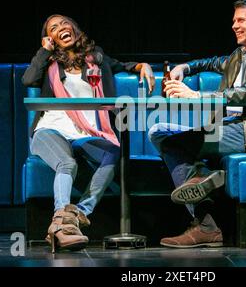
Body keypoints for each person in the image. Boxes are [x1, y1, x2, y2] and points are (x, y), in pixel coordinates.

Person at [148, 0, 246, 248]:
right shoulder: (238, 56)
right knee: (159, 132)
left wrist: (196, 95)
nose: (234, 25)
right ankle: (201, 180)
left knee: (170, 140)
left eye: (240, 20)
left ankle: (204, 220)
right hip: (230, 127)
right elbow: (211, 62)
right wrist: (186, 67)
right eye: (234, 20)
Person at [23, 14, 155, 252]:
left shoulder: (97, 58)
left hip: (84, 132)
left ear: (75, 29)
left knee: (114, 151)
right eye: (54, 28)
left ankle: (77, 214)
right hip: (50, 129)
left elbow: (120, 65)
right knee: (67, 163)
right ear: (49, 38)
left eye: (65, 23)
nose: (61, 28)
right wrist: (44, 51)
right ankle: (61, 222)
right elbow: (29, 79)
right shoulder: (48, 62)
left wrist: (141, 66)